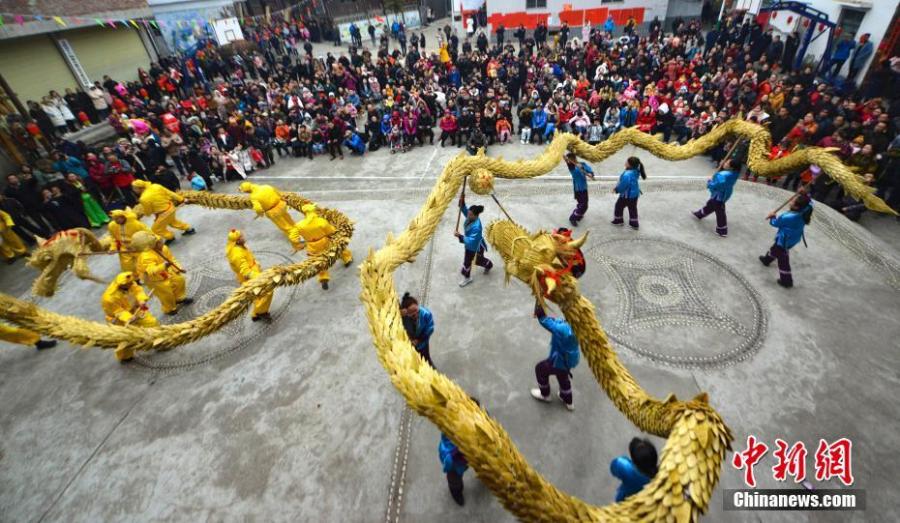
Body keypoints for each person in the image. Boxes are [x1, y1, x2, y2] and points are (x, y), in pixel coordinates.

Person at [529, 299, 580, 411]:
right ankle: (568, 400)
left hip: (560, 360)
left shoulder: (563, 329)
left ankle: (545, 394)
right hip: (571, 359)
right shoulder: (579, 328)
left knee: (540, 369)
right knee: (562, 376)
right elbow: (559, 323)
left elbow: (545, 321)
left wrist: (539, 306)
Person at [288, 203, 353, 290]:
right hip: (324, 241)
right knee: (337, 249)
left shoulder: (299, 225)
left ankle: (323, 277)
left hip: (311, 245)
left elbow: (292, 237)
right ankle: (347, 259)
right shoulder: (321, 221)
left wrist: (299, 244)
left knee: (318, 261)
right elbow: (331, 231)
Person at [131, 231, 192, 315]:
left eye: (161, 241)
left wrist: (178, 268)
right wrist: (163, 266)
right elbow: (151, 270)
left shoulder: (164, 248)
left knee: (179, 280)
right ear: (153, 245)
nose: (162, 243)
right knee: (166, 293)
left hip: (166, 271)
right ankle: (169, 308)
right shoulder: (146, 256)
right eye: (159, 242)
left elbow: (171, 259)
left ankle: (179, 298)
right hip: (154, 279)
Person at [760, 193, 813, 288]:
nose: (791, 200)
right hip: (793, 238)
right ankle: (767, 260)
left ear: (796, 207)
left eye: (793, 200)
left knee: (782, 258)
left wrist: (772, 216)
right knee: (775, 249)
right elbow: (809, 201)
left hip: (784, 240)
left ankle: (787, 280)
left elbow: (775, 223)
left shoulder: (788, 217)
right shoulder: (806, 209)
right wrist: (803, 193)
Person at [101, 272, 157, 361]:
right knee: (125, 339)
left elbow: (138, 291)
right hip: (118, 319)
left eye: (131, 282)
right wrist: (128, 317)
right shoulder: (109, 298)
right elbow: (118, 311)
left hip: (135, 309)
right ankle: (124, 356)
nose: (132, 284)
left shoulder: (130, 283)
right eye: (129, 283)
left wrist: (141, 300)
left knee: (151, 323)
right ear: (122, 285)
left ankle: (158, 341)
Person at [226, 229, 273, 322]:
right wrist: (261, 278)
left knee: (257, 295)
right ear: (237, 240)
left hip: (253, 271)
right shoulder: (237, 254)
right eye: (241, 236)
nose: (244, 237)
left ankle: (256, 313)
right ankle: (261, 312)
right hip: (250, 277)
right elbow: (246, 272)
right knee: (268, 291)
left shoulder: (239, 247)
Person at [239, 182, 302, 250]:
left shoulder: (254, 196)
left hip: (273, 212)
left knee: (286, 227)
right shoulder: (266, 186)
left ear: (248, 190)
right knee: (289, 220)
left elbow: (258, 208)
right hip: (281, 205)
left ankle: (297, 243)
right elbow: (277, 192)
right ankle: (300, 231)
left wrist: (260, 213)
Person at [692, 159, 740, 237]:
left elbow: (715, 185)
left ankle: (722, 230)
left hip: (719, 196)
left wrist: (710, 181)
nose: (725, 163)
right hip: (725, 193)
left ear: (731, 167)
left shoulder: (722, 175)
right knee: (710, 205)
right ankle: (700, 214)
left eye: (727, 163)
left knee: (720, 211)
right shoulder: (735, 174)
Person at [455, 194, 493, 287]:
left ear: (476, 216)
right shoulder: (470, 216)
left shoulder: (477, 227)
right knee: (467, 262)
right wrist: (462, 202)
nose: (468, 215)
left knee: (478, 261)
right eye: (468, 214)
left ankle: (489, 264)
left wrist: (460, 236)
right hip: (470, 247)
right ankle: (467, 278)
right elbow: (464, 210)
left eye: (470, 214)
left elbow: (471, 241)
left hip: (476, 247)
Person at [108, 208, 150, 272]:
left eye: (117, 219)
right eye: (114, 219)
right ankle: (135, 280)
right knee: (127, 267)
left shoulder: (136, 224)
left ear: (123, 217)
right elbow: (113, 238)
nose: (116, 221)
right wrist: (113, 248)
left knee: (144, 264)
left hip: (137, 248)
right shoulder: (112, 226)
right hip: (124, 249)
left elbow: (148, 233)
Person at [399, 292, 435, 367]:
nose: (415, 314)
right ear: (406, 312)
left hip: (423, 344)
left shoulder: (426, 314)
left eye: (416, 311)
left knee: (426, 358)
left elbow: (430, 329)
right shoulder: (403, 318)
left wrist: (419, 340)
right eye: (411, 313)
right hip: (410, 346)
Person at [611, 157, 646, 229]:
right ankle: (634, 224)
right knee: (632, 208)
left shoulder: (627, 174)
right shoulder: (636, 170)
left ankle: (618, 220)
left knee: (618, 207)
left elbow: (623, 185)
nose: (625, 162)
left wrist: (617, 190)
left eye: (626, 162)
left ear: (630, 165)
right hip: (635, 194)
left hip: (627, 195)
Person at [564, 152, 595, 227]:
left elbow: (589, 170)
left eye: (570, 159)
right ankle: (573, 218)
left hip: (584, 187)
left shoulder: (582, 164)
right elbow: (567, 162)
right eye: (568, 160)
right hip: (578, 189)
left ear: (574, 158)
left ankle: (579, 214)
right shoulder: (571, 167)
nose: (569, 161)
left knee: (584, 204)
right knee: (583, 204)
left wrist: (591, 174)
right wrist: (565, 159)